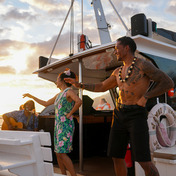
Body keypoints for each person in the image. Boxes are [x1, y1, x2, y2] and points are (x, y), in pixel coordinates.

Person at [64, 36, 174, 176]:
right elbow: (101, 86)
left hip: (136, 114)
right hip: (119, 114)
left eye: (117, 48)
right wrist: (80, 85)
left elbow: (168, 82)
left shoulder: (143, 65)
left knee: (143, 160)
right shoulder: (117, 72)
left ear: (126, 48)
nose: (115, 52)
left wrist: (146, 96)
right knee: (116, 156)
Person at [23, 68, 82, 176]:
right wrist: (32, 97)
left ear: (63, 80)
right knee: (57, 153)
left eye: (57, 79)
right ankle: (63, 174)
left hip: (65, 125)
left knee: (62, 153)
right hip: (59, 125)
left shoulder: (69, 91)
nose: (56, 82)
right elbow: (46, 103)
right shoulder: (58, 95)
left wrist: (70, 114)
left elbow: (79, 101)